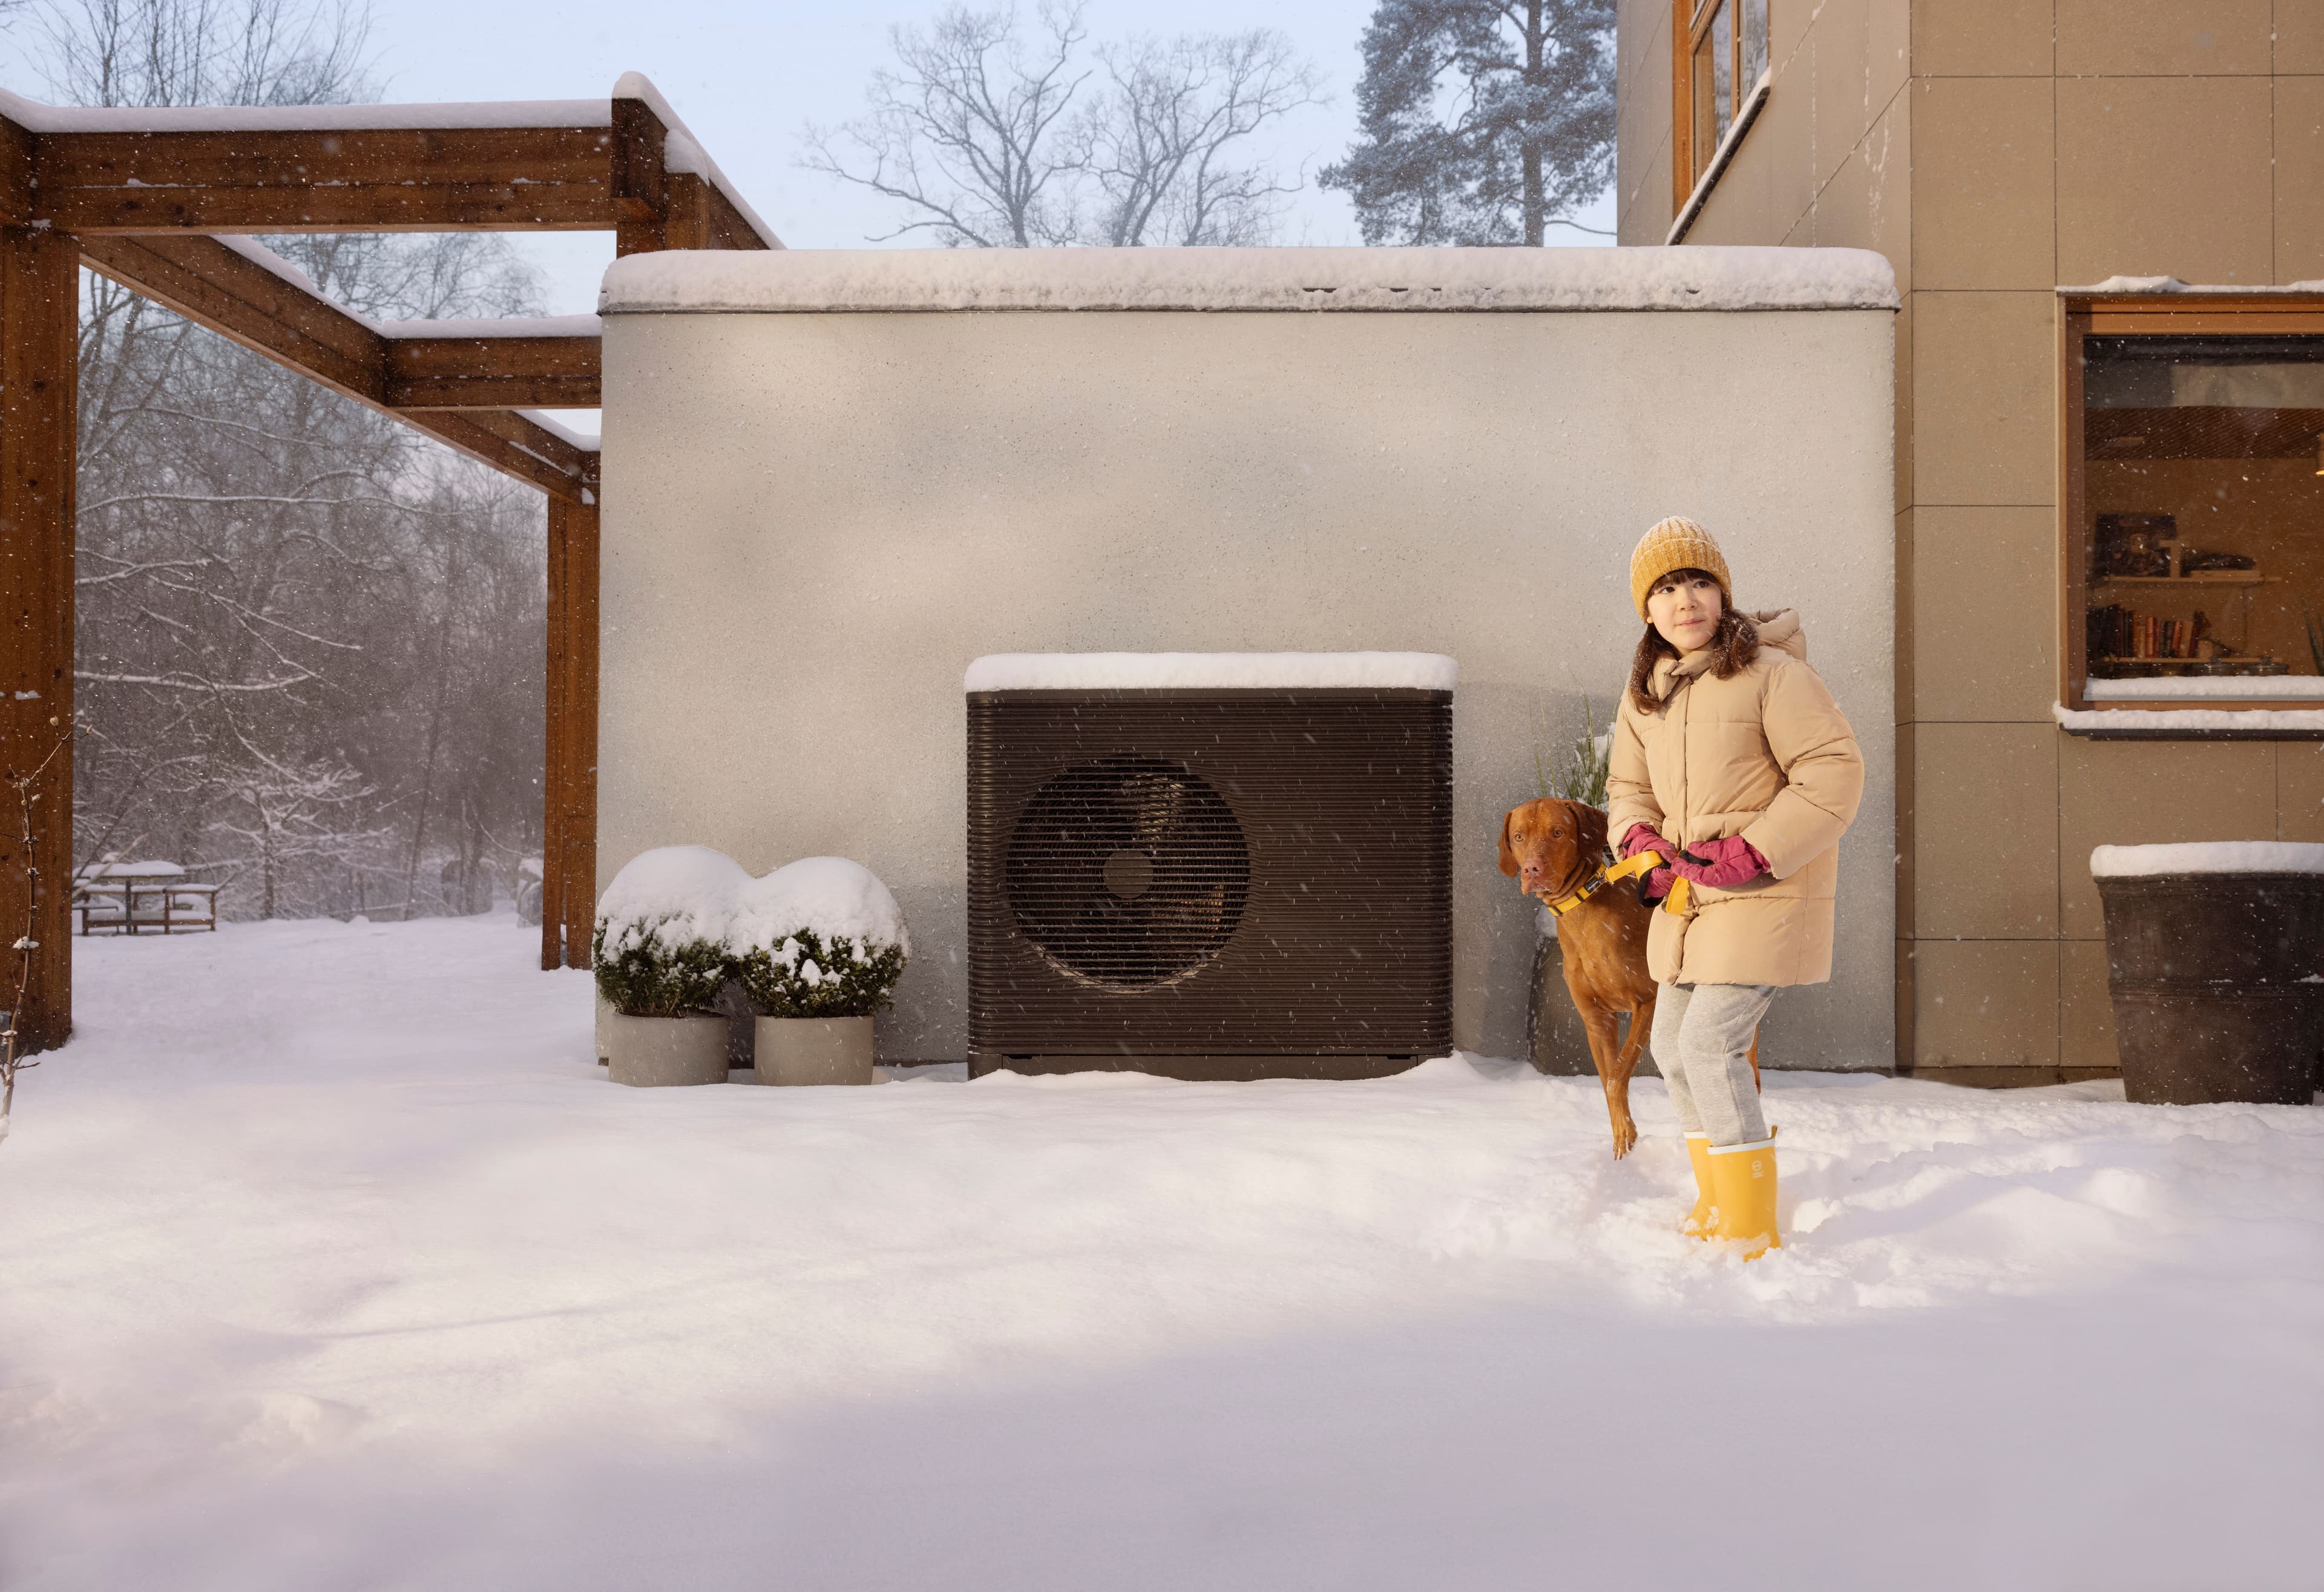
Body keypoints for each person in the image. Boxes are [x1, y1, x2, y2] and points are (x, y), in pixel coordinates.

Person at [1604, 517, 1864, 1258]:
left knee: (1711, 1043)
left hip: (1763, 895)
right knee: (1672, 1044)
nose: (1684, 599)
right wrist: (1640, 839)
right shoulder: (1645, 694)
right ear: (1647, 612)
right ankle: (1719, 1201)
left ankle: (1752, 1224)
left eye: (1698, 582)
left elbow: (1833, 773)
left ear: (1722, 594)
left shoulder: (1775, 675)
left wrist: (1754, 850)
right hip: (1691, 902)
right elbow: (1627, 786)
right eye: (1664, 589)